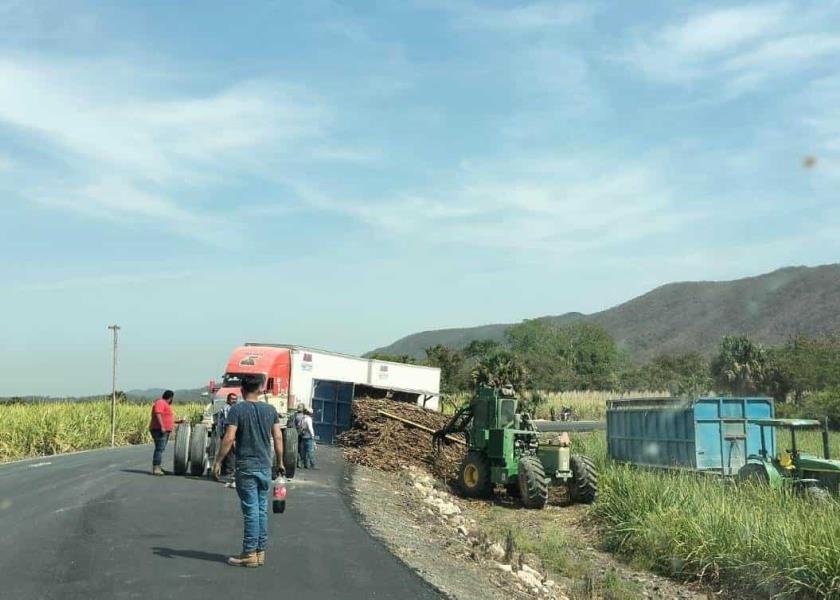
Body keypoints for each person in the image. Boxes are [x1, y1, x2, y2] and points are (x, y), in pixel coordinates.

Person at [212, 378, 285, 568]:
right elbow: (278, 436)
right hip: (264, 467)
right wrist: (280, 462)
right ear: (260, 389)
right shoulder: (270, 410)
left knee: (251, 511)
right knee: (261, 510)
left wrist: (218, 461)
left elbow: (229, 438)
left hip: (246, 467)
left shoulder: (237, 410)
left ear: (243, 390)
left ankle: (249, 553)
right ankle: (260, 552)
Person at [149, 390, 183, 476]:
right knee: (159, 448)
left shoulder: (165, 404)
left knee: (161, 448)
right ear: (170, 398)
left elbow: (167, 417)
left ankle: (159, 467)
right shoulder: (160, 402)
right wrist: (162, 426)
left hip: (163, 430)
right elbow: (158, 413)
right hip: (159, 429)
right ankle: (156, 468)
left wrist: (178, 421)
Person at [218, 393, 238, 480]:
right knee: (230, 453)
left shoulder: (233, 408)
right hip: (228, 433)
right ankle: (229, 472)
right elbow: (229, 423)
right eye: (232, 399)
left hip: (227, 433)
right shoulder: (227, 408)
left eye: (235, 399)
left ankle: (224, 472)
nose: (234, 401)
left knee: (226, 453)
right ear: (228, 399)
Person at [292, 403, 306, 468]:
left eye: (300, 407)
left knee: (302, 449)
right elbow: (293, 423)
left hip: (303, 434)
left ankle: (302, 462)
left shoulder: (305, 415)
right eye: (298, 406)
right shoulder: (295, 414)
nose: (299, 408)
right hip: (296, 433)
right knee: (296, 448)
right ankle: (297, 462)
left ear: (303, 408)